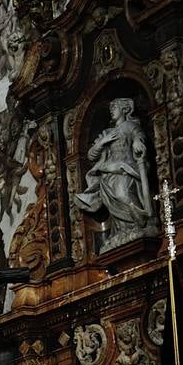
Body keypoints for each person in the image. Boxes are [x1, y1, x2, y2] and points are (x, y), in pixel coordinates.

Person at [74, 97, 155, 251]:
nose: (112, 110)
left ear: (125, 109)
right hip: (109, 171)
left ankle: (138, 224)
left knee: (123, 194)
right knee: (111, 201)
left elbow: (139, 136)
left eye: (115, 107)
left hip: (126, 168)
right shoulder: (106, 132)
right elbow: (91, 156)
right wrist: (101, 143)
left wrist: (138, 142)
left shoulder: (130, 126)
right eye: (111, 108)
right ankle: (122, 231)